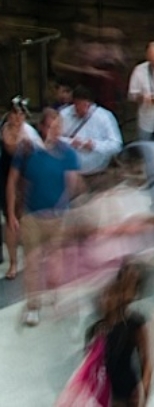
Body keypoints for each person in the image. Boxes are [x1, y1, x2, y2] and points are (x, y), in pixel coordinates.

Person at [7, 108, 81, 326]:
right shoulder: (27, 151)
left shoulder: (68, 154)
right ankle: (33, 306)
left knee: (57, 264)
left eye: (59, 127)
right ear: (42, 127)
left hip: (58, 217)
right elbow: (12, 181)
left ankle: (56, 294)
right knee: (32, 263)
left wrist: (69, 210)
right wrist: (12, 213)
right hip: (32, 216)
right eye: (51, 127)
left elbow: (72, 184)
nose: (55, 132)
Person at [85, 261, 153, 407]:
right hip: (103, 392)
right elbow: (89, 365)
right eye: (104, 295)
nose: (107, 300)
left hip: (126, 392)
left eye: (111, 294)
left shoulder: (134, 323)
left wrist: (143, 388)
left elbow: (147, 360)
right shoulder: (95, 330)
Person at [1, 98, 41, 278]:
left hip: (26, 177)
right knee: (10, 219)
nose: (17, 118)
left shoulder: (29, 135)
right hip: (4, 176)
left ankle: (33, 258)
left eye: (21, 114)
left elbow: (41, 156)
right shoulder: (2, 130)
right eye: (14, 113)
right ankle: (13, 263)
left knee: (26, 219)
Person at [59, 85, 122, 176]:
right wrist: (70, 142)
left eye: (85, 105)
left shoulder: (104, 116)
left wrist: (95, 145)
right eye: (78, 105)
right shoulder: (64, 114)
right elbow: (54, 138)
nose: (81, 109)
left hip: (96, 169)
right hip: (69, 169)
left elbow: (116, 145)